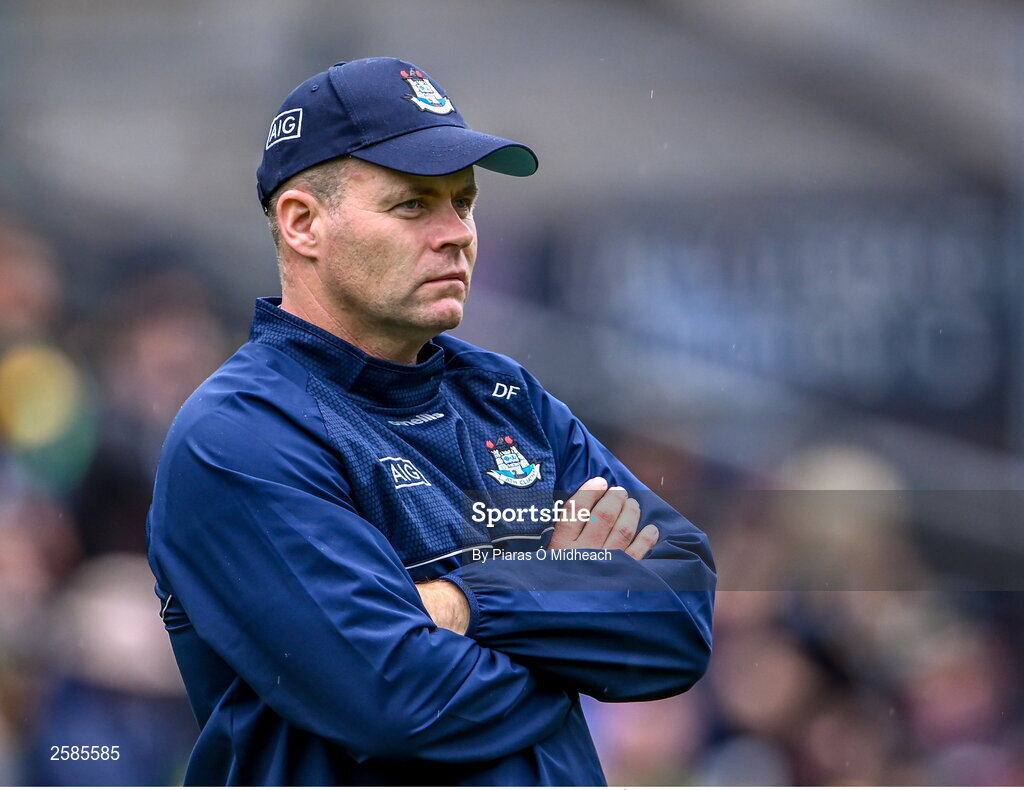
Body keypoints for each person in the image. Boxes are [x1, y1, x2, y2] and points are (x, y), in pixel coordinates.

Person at [146, 57, 715, 786]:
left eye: (465, 202)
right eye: (413, 205)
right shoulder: (240, 434)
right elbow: (395, 700)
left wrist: (466, 605)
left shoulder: (507, 395)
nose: (457, 234)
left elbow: (682, 615)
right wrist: (570, 623)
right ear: (302, 224)